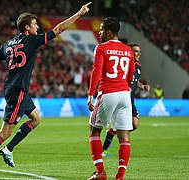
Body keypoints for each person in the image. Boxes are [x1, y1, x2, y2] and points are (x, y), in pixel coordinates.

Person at [0, 2, 92, 178]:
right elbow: (57, 29)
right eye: (35, 24)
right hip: (17, 90)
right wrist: (79, 13)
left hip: (16, 89)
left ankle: (9, 148)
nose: (38, 27)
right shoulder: (31, 40)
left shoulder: (7, 44)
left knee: (36, 118)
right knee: (5, 132)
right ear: (27, 28)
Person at [87, 17, 135, 180]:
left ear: (108, 32)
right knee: (124, 135)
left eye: (101, 29)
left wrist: (90, 94)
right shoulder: (128, 50)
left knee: (94, 130)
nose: (99, 32)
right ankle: (120, 176)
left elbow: (96, 71)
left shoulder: (102, 48)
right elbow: (130, 76)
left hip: (108, 92)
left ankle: (100, 171)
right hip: (125, 94)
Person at [101, 43, 150, 157]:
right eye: (136, 51)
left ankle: (112, 132)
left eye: (139, 51)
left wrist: (142, 86)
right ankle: (103, 150)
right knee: (123, 128)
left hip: (131, 100)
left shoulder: (138, 66)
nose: (139, 53)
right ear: (130, 52)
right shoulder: (124, 64)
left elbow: (135, 80)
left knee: (135, 125)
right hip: (121, 98)